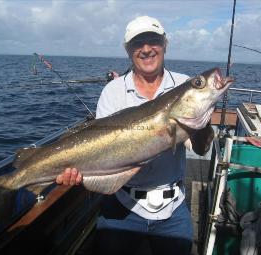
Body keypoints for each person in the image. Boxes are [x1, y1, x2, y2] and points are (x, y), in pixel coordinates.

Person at [56, 16, 193, 254]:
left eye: (153, 40)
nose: (147, 49)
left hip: (174, 207)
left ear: (165, 45)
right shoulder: (112, 91)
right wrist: (77, 170)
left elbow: (201, 148)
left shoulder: (184, 85)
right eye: (138, 43)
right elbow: (100, 148)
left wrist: (200, 122)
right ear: (128, 50)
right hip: (122, 205)